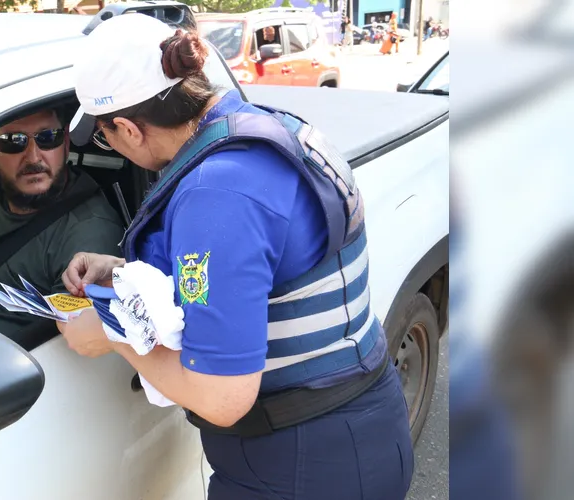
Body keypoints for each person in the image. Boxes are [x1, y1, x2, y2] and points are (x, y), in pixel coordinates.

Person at [59, 14, 414, 499]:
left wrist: (111, 334)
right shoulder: (264, 128)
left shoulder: (216, 195)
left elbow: (221, 397)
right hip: (354, 430)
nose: (112, 146)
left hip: (298, 465)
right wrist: (121, 269)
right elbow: (259, 268)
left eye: (106, 137)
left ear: (128, 127)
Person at [0, 108, 124, 342]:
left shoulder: (89, 235)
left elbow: (71, 345)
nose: (34, 157)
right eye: (13, 142)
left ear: (65, 144)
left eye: (48, 138)